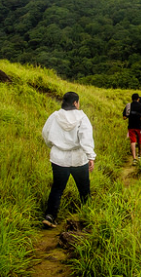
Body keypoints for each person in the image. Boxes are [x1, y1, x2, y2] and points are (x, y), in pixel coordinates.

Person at [42, 92, 95, 228]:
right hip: (78, 158)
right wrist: (91, 156)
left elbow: (46, 134)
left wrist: (53, 146)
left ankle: (50, 216)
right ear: (75, 103)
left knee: (57, 188)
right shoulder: (82, 117)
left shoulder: (55, 116)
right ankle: (88, 215)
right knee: (84, 189)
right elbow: (86, 137)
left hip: (59, 158)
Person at [123, 93, 141, 165]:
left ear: (132, 98)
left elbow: (124, 117)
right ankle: (139, 154)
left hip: (131, 126)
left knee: (132, 141)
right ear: (138, 99)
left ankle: (134, 158)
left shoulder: (129, 105)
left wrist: (129, 116)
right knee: (140, 141)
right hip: (140, 127)